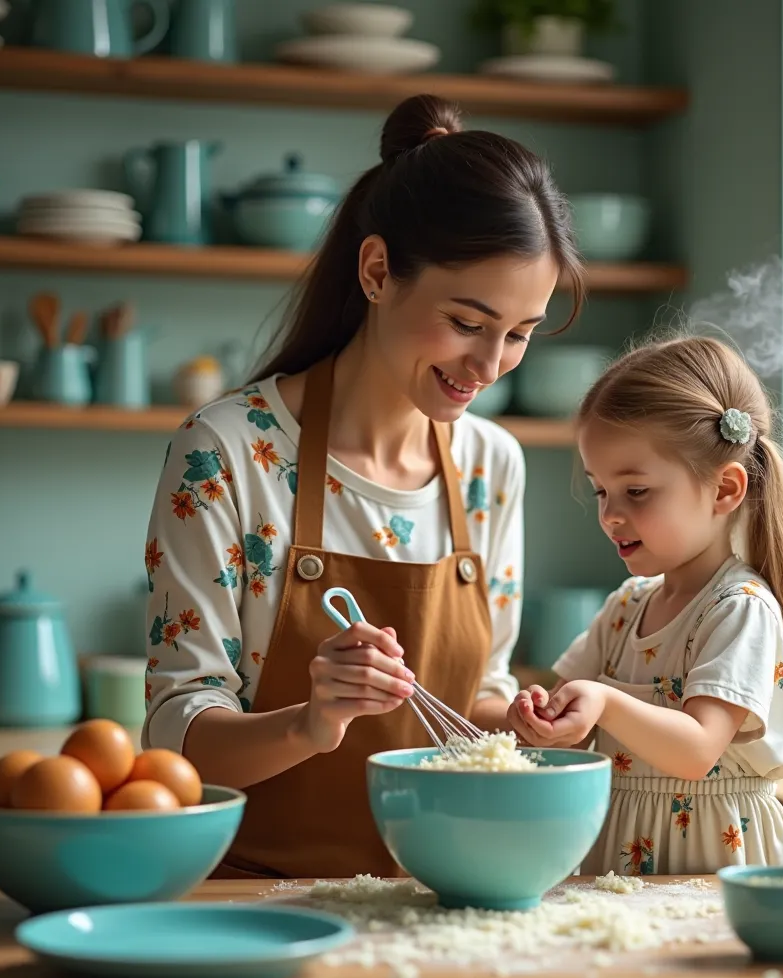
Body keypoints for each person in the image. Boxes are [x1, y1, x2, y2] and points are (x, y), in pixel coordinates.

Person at [141, 93, 584, 879]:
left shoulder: (491, 464)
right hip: (256, 904)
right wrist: (313, 722)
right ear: (378, 271)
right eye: (468, 322)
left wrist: (519, 723)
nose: (490, 367)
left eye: (519, 334)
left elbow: (476, 699)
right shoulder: (227, 452)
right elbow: (176, 737)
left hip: (442, 897)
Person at [507, 335, 783, 875]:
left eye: (637, 491)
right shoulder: (626, 607)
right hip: (622, 861)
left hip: (714, 866)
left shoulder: (739, 610)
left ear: (724, 490)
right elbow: (575, 714)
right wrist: (544, 719)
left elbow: (696, 750)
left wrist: (601, 700)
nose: (609, 515)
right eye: (602, 491)